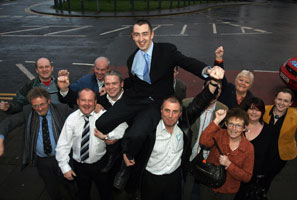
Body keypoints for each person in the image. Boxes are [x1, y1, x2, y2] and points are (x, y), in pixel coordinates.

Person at [95, 19, 222, 189]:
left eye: (145, 34)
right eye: (137, 35)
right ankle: (113, 152)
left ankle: (125, 165)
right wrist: (113, 86)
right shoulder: (132, 59)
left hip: (156, 103)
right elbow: (135, 81)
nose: (141, 39)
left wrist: (208, 70)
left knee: (135, 134)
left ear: (152, 34)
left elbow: (187, 62)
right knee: (101, 124)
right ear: (133, 36)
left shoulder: (167, 50)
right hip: (135, 98)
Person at [127, 66, 224, 200]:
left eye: (174, 112)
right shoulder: (149, 128)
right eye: (167, 110)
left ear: (180, 113)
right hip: (150, 179)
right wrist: (127, 152)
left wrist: (213, 83)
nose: (170, 115)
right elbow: (130, 134)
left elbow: (199, 103)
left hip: (174, 180)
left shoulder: (184, 125)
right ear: (161, 111)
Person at [0, 88, 75, 200]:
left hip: (63, 158)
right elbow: (9, 122)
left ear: (49, 101)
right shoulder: (28, 112)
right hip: (42, 161)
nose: (39, 108)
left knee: (71, 187)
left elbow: (80, 115)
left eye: (42, 104)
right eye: (35, 106)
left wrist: (96, 109)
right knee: (51, 188)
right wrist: (0, 138)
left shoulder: (62, 109)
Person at [55, 88, 128, 200]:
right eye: (83, 100)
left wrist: (109, 136)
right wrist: (64, 167)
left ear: (95, 102)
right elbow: (63, 144)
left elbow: (123, 127)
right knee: (83, 194)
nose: (87, 104)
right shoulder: (71, 119)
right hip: (79, 167)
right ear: (78, 101)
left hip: (101, 165)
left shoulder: (103, 115)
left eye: (90, 100)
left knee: (106, 193)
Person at [182, 79, 228, 200]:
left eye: (218, 90)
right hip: (188, 155)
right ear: (204, 89)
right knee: (185, 190)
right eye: (212, 88)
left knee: (203, 193)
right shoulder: (187, 103)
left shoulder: (223, 110)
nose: (215, 93)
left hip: (208, 159)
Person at [199, 108, 254, 200]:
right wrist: (217, 120)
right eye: (231, 124)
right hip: (208, 185)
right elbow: (204, 141)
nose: (233, 129)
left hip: (228, 192)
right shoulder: (220, 134)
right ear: (226, 124)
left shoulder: (248, 148)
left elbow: (247, 177)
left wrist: (229, 165)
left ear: (244, 128)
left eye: (238, 126)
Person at [235, 97, 274, 199]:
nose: (254, 112)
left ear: (262, 112)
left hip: (254, 178)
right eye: (251, 109)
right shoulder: (236, 127)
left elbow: (270, 156)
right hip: (233, 174)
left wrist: (263, 175)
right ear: (246, 110)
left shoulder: (269, 131)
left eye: (258, 110)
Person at [262, 88, 297, 191]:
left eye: (286, 101)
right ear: (275, 99)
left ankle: (263, 192)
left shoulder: (295, 116)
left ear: (290, 103)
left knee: (269, 177)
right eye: (279, 99)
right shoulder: (264, 110)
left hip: (280, 155)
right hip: (262, 151)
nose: (281, 103)